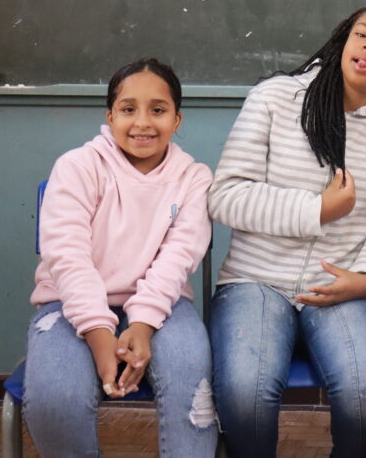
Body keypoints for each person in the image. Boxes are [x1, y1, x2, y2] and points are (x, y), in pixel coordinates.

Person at [208, 4, 366, 458]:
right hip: (255, 280)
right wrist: (317, 210)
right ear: (344, 41)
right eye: (362, 34)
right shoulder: (275, 98)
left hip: (338, 284)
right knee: (245, 394)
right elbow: (225, 196)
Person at [25, 58, 216, 457]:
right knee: (55, 401)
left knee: (193, 389)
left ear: (177, 120)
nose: (142, 122)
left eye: (158, 110)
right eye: (129, 109)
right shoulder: (78, 167)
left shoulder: (193, 178)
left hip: (162, 304)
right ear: (110, 116)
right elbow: (67, 256)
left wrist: (142, 324)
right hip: (69, 301)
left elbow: (178, 257)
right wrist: (99, 334)